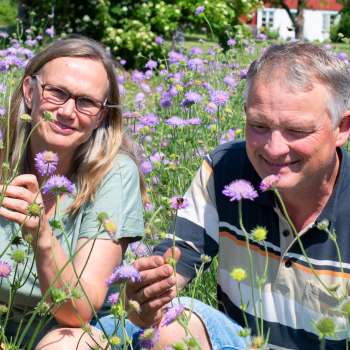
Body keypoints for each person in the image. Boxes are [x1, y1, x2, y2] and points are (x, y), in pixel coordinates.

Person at [102, 42, 350, 349]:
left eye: (296, 131)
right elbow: (177, 259)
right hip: (241, 343)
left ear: (343, 127)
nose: (273, 149)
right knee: (165, 328)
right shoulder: (224, 168)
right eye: (258, 126)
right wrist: (146, 292)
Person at [0, 36, 144, 349]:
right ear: (30, 91)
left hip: (73, 329)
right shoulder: (3, 158)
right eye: (57, 93)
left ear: (102, 116)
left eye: (86, 102)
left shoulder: (114, 174)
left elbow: (78, 311)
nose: (67, 111)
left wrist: (43, 240)